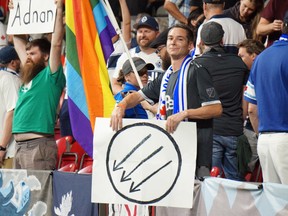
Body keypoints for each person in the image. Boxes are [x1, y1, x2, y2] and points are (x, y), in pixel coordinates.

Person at [110, 23, 222, 178]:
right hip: (171, 150)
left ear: (190, 45)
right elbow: (137, 96)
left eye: (179, 39)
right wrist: (121, 105)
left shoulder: (197, 70)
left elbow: (216, 108)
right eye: (170, 38)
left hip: (196, 152)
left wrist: (184, 113)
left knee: (193, 201)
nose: (173, 42)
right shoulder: (166, 77)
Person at [9, 0, 66, 170]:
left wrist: (58, 10)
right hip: (19, 147)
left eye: (32, 53)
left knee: (39, 197)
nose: (27, 57)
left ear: (46, 56)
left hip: (38, 147)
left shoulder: (51, 76)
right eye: (27, 53)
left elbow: (56, 44)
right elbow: (18, 42)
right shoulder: (29, 75)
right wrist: (14, 13)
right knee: (21, 197)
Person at [196, 22, 249, 181]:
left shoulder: (198, 64)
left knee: (210, 183)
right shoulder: (239, 63)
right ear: (222, 40)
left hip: (211, 130)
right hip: (234, 129)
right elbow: (245, 98)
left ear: (201, 42)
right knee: (236, 184)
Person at [244, 11, 288, 185]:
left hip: (265, 140)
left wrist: (261, 135)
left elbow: (251, 109)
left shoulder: (261, 58)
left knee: (274, 205)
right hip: (285, 138)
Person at [111, 15, 162, 95]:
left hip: (157, 104)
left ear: (157, 34)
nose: (142, 35)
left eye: (147, 31)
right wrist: (128, 95)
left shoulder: (164, 56)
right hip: (134, 106)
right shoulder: (127, 55)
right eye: (140, 31)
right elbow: (115, 84)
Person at [237, 39, 265, 172]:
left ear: (253, 55)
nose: (239, 60)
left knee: (249, 173)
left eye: (242, 56)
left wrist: (258, 133)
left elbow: (251, 109)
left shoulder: (255, 74)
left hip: (255, 130)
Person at [0, 45, 21, 168]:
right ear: (13, 62)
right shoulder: (9, 79)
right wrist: (2, 147)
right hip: (8, 150)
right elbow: (12, 112)